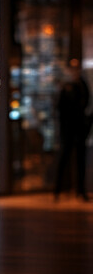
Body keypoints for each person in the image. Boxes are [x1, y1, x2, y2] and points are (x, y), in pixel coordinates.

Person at [53, 59, 90, 201]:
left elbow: (86, 104)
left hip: (79, 129)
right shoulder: (66, 87)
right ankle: (57, 190)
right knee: (64, 158)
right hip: (69, 129)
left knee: (80, 160)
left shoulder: (81, 84)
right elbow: (61, 109)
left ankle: (80, 191)